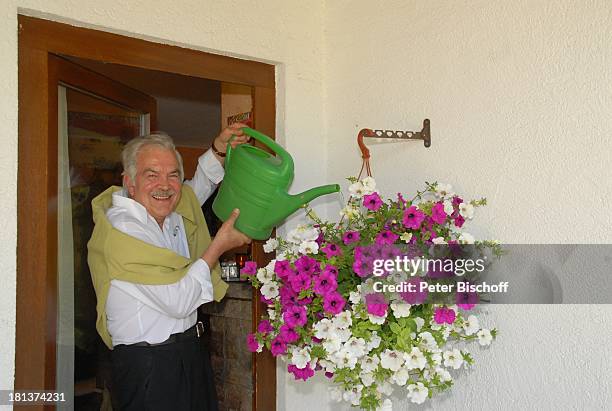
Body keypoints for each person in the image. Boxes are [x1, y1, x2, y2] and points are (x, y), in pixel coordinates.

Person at [87, 124, 251, 411]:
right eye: (152, 175)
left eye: (173, 174)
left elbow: (194, 190)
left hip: (188, 354)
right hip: (150, 367)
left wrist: (219, 149)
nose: (165, 185)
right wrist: (219, 246)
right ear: (130, 182)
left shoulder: (169, 213)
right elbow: (178, 302)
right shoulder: (123, 230)